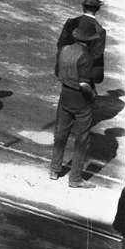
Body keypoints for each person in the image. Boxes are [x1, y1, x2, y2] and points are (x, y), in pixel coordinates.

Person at [49, 17, 100, 189]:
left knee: (61, 133)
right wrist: (93, 96)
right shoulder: (86, 56)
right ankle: (75, 178)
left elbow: (58, 73)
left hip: (65, 95)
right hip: (81, 100)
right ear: (89, 40)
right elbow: (84, 84)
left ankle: (54, 169)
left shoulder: (64, 49)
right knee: (82, 138)